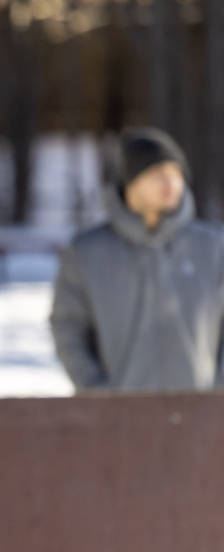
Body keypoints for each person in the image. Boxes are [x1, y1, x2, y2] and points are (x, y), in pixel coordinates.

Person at [50, 126, 224, 392]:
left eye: (175, 173)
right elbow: (68, 327)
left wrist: (217, 395)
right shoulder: (87, 253)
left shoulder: (213, 247)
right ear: (130, 183)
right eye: (156, 175)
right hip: (118, 413)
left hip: (199, 411)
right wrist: (96, 393)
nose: (170, 184)